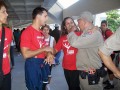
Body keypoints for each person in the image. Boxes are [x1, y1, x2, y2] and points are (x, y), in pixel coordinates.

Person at [67, 11, 105, 90]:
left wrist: (71, 32)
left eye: (78, 21)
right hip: (86, 73)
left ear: (84, 21)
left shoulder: (93, 33)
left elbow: (74, 42)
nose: (77, 24)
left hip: (91, 74)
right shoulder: (88, 32)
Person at [20, 6, 53, 90]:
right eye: (45, 16)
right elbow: (25, 54)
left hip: (42, 63)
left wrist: (48, 54)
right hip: (32, 65)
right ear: (38, 16)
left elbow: (43, 48)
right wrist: (44, 49)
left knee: (43, 86)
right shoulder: (27, 32)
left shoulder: (41, 33)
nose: (46, 18)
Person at [47, 17, 81, 90]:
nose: (70, 25)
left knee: (75, 87)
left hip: (77, 67)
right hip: (66, 67)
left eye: (71, 22)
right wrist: (50, 53)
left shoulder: (80, 34)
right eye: (68, 23)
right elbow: (55, 49)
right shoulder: (63, 38)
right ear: (65, 27)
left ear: (74, 24)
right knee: (71, 86)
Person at [0, 1, 13, 90]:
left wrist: (9, 72)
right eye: (3, 12)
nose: (7, 14)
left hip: (6, 73)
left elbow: (7, 53)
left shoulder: (8, 32)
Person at [100, 20, 115, 89]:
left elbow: (113, 40)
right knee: (106, 67)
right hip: (106, 53)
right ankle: (108, 80)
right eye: (102, 25)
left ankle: (111, 84)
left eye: (104, 26)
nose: (102, 27)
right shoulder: (102, 32)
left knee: (109, 69)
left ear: (106, 26)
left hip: (110, 53)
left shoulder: (107, 32)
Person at [41, 24, 56, 90]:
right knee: (42, 72)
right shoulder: (40, 37)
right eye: (44, 29)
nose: (45, 31)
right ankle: (43, 83)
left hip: (49, 58)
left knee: (49, 73)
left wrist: (52, 56)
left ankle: (47, 84)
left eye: (47, 30)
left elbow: (55, 49)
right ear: (42, 30)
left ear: (49, 30)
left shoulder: (52, 38)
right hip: (41, 58)